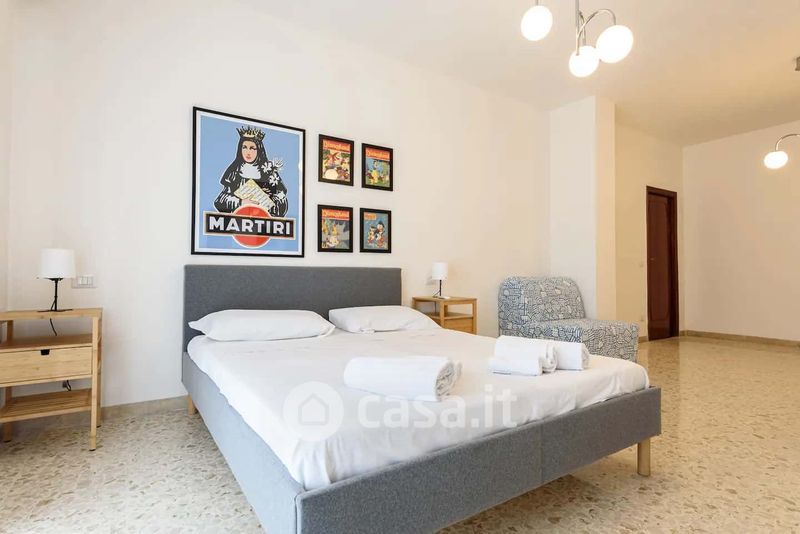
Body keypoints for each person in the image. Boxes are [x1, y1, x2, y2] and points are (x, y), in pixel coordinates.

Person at [214, 125, 288, 217]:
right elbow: (220, 201)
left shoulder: (269, 172)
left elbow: (282, 200)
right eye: (244, 147)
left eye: (252, 148)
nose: (248, 152)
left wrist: (270, 199)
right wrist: (241, 202)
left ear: (259, 150)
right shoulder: (234, 172)